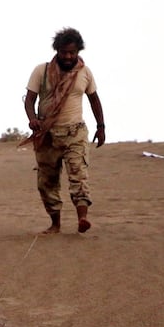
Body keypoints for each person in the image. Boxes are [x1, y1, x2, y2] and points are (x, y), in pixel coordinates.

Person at [21, 27, 105, 234]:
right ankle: (55, 224)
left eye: (72, 52)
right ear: (57, 50)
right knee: (47, 181)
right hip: (47, 135)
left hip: (75, 133)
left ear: (78, 52)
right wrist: (32, 119)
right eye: (64, 52)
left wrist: (101, 126)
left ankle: (82, 218)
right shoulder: (41, 71)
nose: (68, 56)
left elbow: (94, 99)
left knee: (79, 175)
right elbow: (30, 99)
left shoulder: (84, 73)